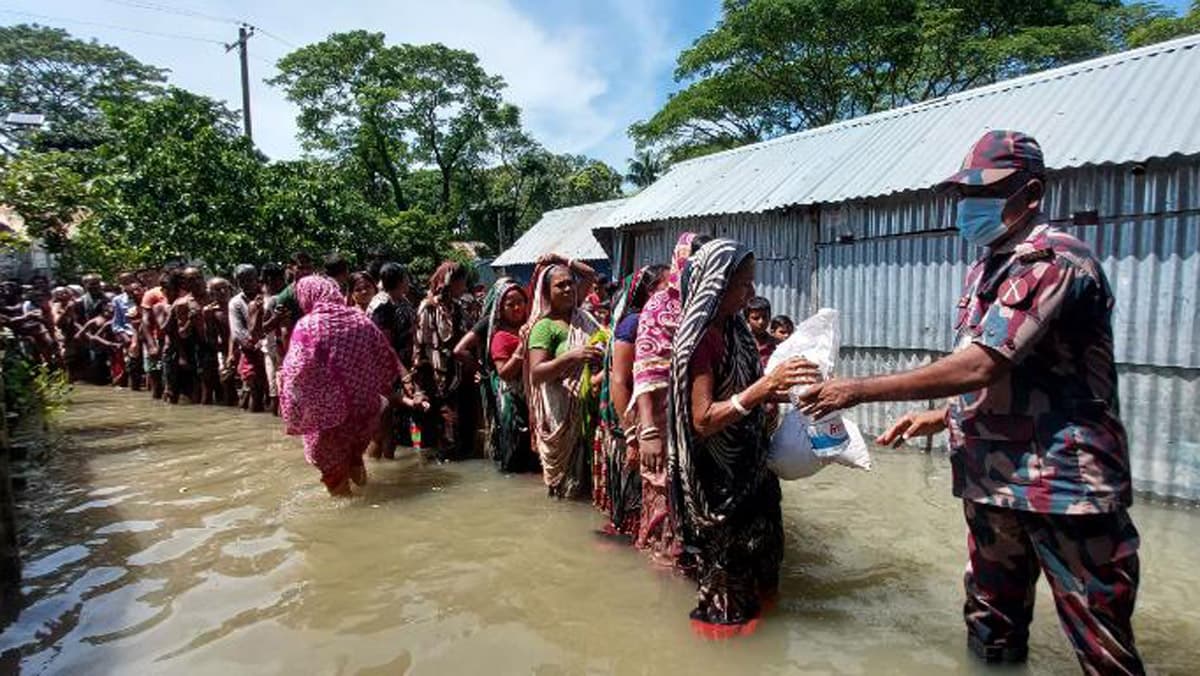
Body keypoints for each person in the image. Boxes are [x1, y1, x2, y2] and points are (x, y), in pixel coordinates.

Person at [798, 131, 1143, 674]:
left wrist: (857, 389)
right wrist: (941, 415)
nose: (967, 206)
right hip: (992, 481)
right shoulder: (988, 266)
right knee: (990, 626)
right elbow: (1003, 373)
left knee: (1100, 644)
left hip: (1063, 486)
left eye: (983, 192)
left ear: (1030, 194)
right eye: (963, 194)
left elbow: (983, 363)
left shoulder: (1052, 261)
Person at [670, 239, 817, 633]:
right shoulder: (700, 341)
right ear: (716, 285)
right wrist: (764, 389)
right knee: (727, 580)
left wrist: (792, 390)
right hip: (718, 479)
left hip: (752, 466)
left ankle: (763, 632)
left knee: (765, 560)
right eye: (743, 285)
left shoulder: (735, 329)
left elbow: (751, 389)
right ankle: (722, 641)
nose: (751, 293)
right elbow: (701, 420)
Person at [280, 276, 401, 497]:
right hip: (364, 411)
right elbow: (385, 357)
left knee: (333, 471)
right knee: (354, 454)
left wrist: (295, 410)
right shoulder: (360, 319)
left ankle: (351, 516)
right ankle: (363, 484)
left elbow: (294, 372)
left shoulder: (307, 326)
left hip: (330, 416)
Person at [632, 232, 710, 566]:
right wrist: (648, 432)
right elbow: (646, 372)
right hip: (664, 426)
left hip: (706, 425)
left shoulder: (716, 305)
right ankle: (662, 581)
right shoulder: (661, 305)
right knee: (666, 508)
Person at [595, 264, 668, 537]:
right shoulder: (634, 323)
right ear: (649, 292)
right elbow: (619, 380)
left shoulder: (665, 320)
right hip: (636, 424)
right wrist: (631, 436)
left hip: (655, 423)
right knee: (633, 504)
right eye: (666, 285)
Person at [525, 257, 604, 499]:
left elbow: (589, 274)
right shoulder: (544, 327)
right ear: (547, 292)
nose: (568, 288)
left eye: (570, 283)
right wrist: (573, 356)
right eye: (560, 285)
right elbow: (536, 374)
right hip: (561, 413)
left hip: (590, 406)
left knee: (590, 480)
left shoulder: (581, 316)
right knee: (566, 487)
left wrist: (559, 258)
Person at [414, 261, 472, 462]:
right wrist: (421, 385)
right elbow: (421, 347)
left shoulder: (457, 307)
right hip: (435, 377)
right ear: (449, 283)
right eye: (461, 283)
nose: (464, 288)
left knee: (454, 429)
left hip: (455, 378)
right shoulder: (428, 308)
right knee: (437, 428)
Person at [368, 263, 421, 458]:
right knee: (384, 427)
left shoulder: (400, 300)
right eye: (406, 278)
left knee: (394, 424)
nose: (409, 281)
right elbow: (385, 345)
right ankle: (382, 465)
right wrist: (402, 373)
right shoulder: (383, 306)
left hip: (401, 367)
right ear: (400, 281)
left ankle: (389, 462)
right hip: (387, 372)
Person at [485, 278, 537, 473]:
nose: (516, 308)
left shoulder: (531, 328)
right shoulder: (501, 337)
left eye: (520, 302)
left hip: (533, 397)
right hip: (515, 401)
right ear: (501, 308)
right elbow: (504, 373)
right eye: (510, 304)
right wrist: (521, 349)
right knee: (519, 451)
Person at [229, 265, 266, 412]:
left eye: (250, 279)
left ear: (257, 279)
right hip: (251, 351)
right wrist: (254, 344)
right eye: (242, 280)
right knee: (254, 392)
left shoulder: (267, 295)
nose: (246, 284)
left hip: (270, 348)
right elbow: (238, 332)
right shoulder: (236, 303)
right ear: (237, 282)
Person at [744, 296, 778, 368]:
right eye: (755, 318)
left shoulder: (776, 345)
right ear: (747, 319)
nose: (761, 322)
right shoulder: (742, 343)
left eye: (765, 317)